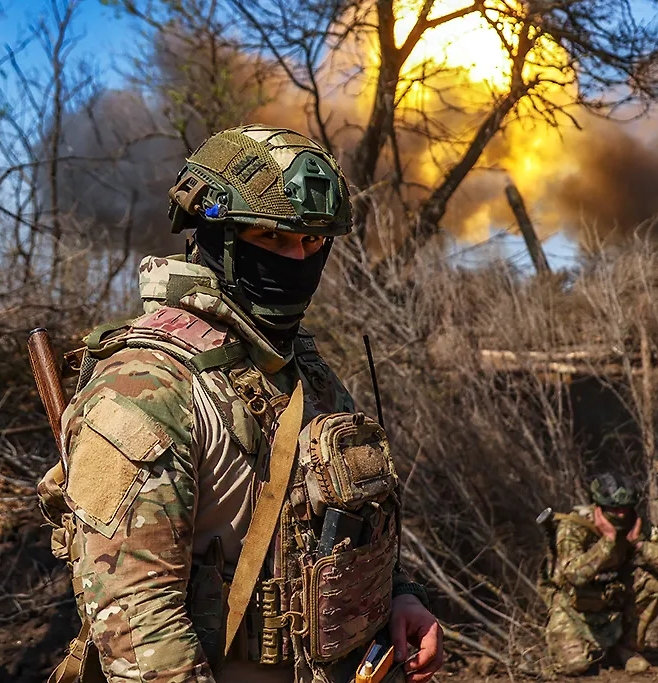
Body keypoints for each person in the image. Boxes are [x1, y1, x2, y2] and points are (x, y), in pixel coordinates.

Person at [37, 125, 442, 683]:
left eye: (313, 241)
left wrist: (399, 599)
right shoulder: (144, 386)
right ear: (214, 233)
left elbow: (344, 527)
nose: (298, 259)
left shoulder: (302, 370)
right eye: (274, 239)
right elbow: (141, 629)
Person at [538, 473, 658, 676]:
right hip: (572, 608)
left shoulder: (635, 525)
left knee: (653, 583)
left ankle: (626, 646)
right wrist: (607, 542)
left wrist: (639, 544)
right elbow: (574, 575)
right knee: (574, 666)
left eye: (625, 509)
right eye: (614, 509)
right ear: (597, 506)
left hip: (611, 601)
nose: (621, 515)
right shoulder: (574, 527)